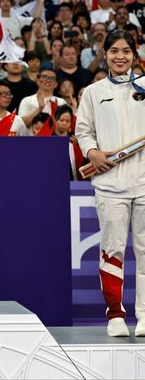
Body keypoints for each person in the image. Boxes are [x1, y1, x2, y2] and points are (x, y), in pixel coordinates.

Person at [75, 30, 145, 337]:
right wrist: (92, 152)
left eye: (126, 51)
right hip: (109, 183)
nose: (120, 56)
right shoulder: (92, 92)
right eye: (114, 50)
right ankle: (115, 314)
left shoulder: (144, 86)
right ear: (105, 54)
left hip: (144, 184)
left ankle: (144, 316)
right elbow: (83, 131)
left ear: (134, 54)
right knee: (112, 250)